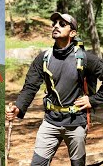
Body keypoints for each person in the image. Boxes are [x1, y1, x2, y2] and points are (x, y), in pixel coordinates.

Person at [6, 12, 103, 165]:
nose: (56, 26)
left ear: (72, 32)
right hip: (50, 122)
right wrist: (18, 107)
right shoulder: (44, 58)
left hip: (76, 123)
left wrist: (93, 100)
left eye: (62, 24)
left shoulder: (86, 58)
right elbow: (30, 86)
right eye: (54, 23)